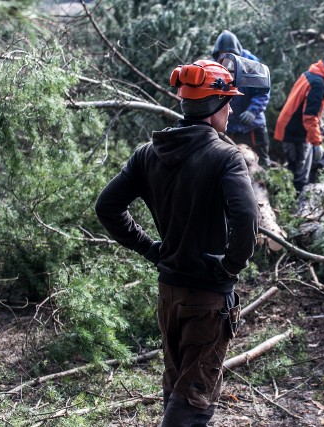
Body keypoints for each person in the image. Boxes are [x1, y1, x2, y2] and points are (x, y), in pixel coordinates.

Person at [95, 59, 259, 427]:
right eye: (227, 100)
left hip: (169, 292)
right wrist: (231, 265)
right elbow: (248, 219)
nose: (232, 108)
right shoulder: (225, 156)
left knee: (178, 386)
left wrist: (151, 249)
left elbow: (107, 207)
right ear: (214, 106)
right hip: (208, 299)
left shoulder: (149, 153)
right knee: (194, 402)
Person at [274, 49, 324, 193]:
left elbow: (306, 108)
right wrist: (316, 143)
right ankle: (295, 209)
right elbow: (309, 116)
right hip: (295, 134)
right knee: (299, 176)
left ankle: (315, 196)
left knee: (321, 162)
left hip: (294, 130)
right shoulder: (318, 84)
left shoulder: (310, 75)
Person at [212, 30, 272, 168]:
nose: (225, 56)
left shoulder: (251, 63)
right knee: (231, 165)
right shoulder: (213, 66)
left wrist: (253, 111)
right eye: (222, 52)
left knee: (261, 163)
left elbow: (262, 91)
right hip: (229, 125)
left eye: (229, 52)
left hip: (253, 125)